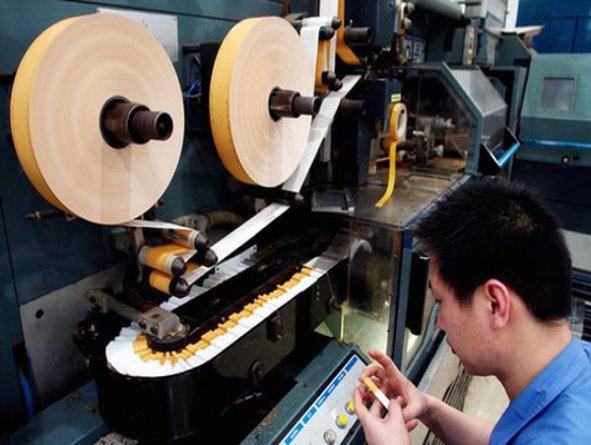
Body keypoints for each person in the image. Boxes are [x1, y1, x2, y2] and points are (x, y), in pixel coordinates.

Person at [353, 178, 591, 444]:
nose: (439, 322)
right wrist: (427, 407)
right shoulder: (577, 367)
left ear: (495, 304)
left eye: (441, 302)